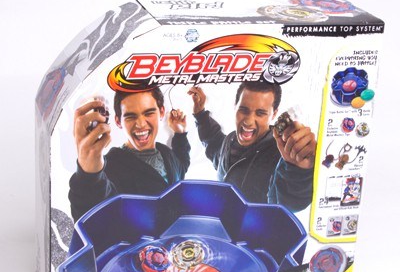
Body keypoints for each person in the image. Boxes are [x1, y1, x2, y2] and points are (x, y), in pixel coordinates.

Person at [188, 81, 316, 212]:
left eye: (260, 113)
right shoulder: (230, 140)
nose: (248, 121)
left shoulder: (281, 154)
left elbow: (287, 204)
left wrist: (298, 169)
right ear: (235, 106)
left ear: (274, 114)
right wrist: (200, 115)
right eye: (243, 110)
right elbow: (214, 143)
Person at [69, 88, 190, 221]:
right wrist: (89, 174)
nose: (141, 124)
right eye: (130, 117)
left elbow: (181, 166)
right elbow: (93, 216)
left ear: (161, 112)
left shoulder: (166, 153)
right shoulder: (112, 167)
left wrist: (180, 134)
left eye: (149, 113)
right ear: (118, 121)